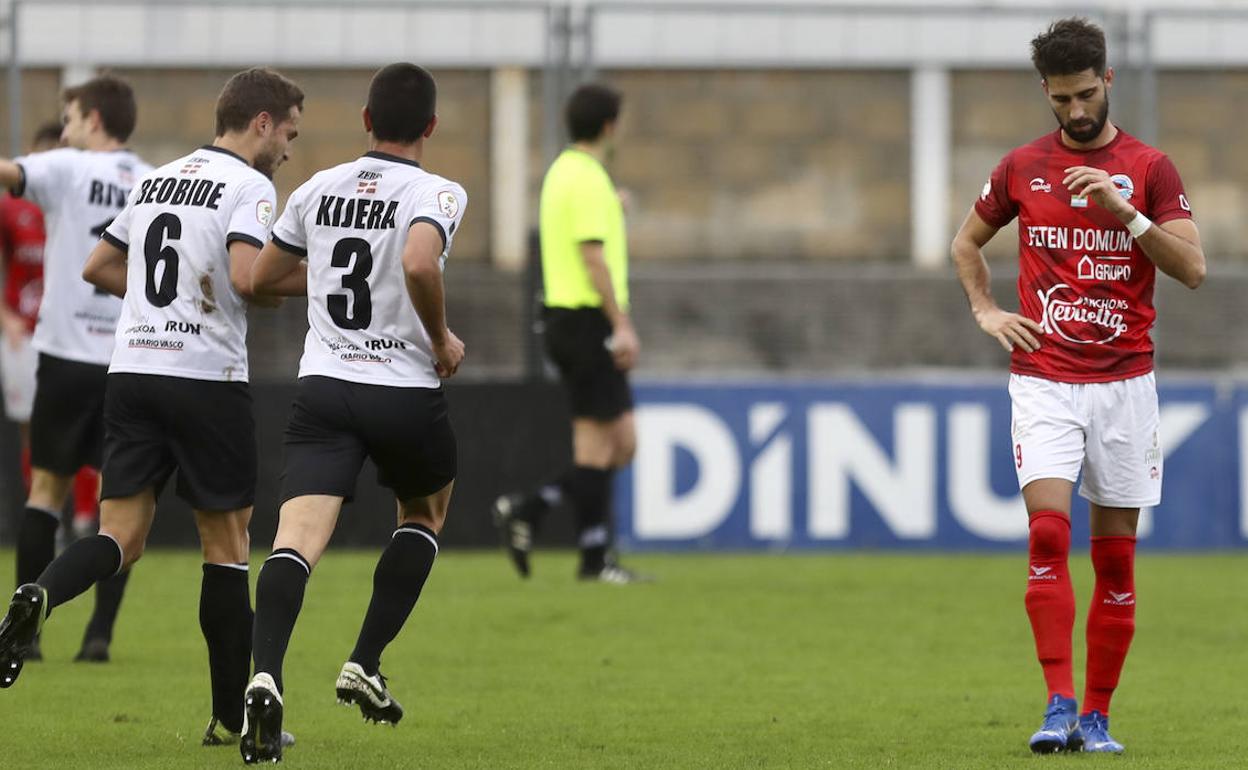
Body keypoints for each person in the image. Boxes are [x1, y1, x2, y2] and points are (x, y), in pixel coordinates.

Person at [0, 68, 304, 751]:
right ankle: (231, 718)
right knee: (225, 550)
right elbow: (247, 278)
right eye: (287, 133)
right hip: (206, 378)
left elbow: (97, 266)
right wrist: (309, 283)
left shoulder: (159, 177)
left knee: (118, 537)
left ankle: (37, 597)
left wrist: (156, 307)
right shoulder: (251, 186)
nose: (287, 148)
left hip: (133, 370)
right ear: (261, 122)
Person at [950, 17, 1205, 755]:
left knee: (1116, 559)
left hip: (1125, 382)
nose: (1074, 112)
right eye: (1061, 100)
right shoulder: (1021, 167)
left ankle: (1097, 716)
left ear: (1109, 82)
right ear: (1047, 92)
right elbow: (966, 241)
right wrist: (986, 309)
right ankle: (1058, 704)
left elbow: (1193, 269)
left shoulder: (1150, 168)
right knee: (1047, 532)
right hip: (1045, 379)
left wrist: (1124, 213)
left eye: (1086, 95)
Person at [240, 62, 466, 764]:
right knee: (425, 514)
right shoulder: (436, 190)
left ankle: (266, 674)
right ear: (430, 127)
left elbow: (257, 280)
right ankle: (363, 659)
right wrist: (441, 339)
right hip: (400, 387)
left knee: (294, 540)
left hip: (326, 388)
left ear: (366, 120)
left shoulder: (316, 188)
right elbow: (421, 264)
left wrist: (332, 267)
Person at [0, 76, 153, 663]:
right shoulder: (153, 179)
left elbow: (13, 176)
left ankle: (28, 634)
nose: (63, 131)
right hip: (129, 359)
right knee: (122, 508)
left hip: (65, 356)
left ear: (92, 119)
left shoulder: (64, 166)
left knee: (46, 491)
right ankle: (98, 638)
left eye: (68, 119)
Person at [492, 83, 645, 584]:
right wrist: (621, 324)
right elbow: (591, 254)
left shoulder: (568, 173)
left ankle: (581, 548)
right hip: (585, 322)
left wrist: (612, 202)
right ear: (610, 126)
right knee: (616, 446)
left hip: (565, 320)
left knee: (604, 448)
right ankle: (546, 521)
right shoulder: (587, 180)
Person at [0, 124, 105, 549]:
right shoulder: (10, 209)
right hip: (23, 332)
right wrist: (6, 318)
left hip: (73, 335)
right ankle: (47, 522)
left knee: (84, 429)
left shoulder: (83, 209)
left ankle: (84, 518)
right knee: (33, 430)